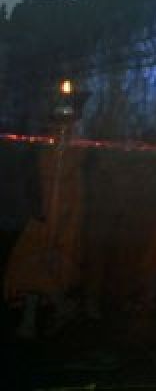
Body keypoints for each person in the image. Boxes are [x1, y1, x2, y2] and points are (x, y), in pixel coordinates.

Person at [4, 114, 86, 339]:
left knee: (42, 262)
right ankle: (43, 315)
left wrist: (61, 219)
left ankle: (41, 317)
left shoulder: (73, 150)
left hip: (56, 217)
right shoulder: (44, 146)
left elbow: (71, 189)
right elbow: (33, 178)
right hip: (41, 215)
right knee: (31, 261)